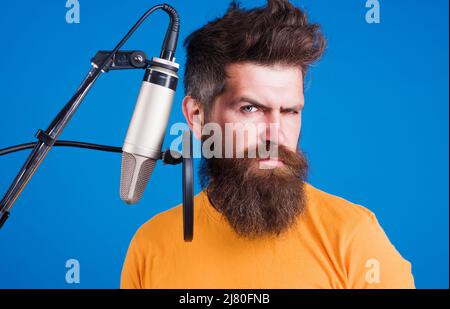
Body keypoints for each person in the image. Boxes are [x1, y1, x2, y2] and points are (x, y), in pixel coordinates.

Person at [121, 0, 415, 289]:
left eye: (290, 112)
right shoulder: (151, 246)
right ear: (197, 117)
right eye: (250, 109)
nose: (275, 135)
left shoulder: (355, 240)